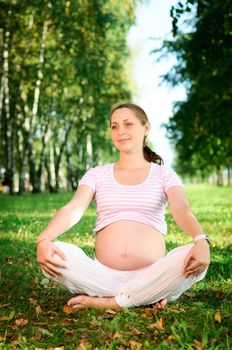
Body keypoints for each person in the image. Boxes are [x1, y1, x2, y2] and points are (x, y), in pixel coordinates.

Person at [37, 102, 210, 311]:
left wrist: (201, 240)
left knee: (194, 258)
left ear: (146, 128)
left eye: (128, 124)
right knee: (54, 253)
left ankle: (111, 301)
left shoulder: (164, 174)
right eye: (114, 126)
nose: (121, 131)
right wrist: (43, 240)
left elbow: (182, 210)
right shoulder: (96, 174)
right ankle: (143, 296)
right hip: (102, 276)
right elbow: (73, 209)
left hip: (151, 273)